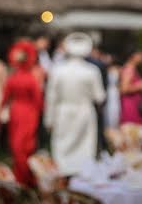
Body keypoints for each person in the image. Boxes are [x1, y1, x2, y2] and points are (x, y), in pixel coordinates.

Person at [45, 33, 105, 176]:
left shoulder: (57, 70)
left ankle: (64, 180)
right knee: (84, 149)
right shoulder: (92, 70)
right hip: (84, 112)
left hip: (63, 112)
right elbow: (99, 97)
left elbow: (51, 97)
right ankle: (82, 181)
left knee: (63, 148)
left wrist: (49, 120)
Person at [0, 40, 42, 187]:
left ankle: (23, 175)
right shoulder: (31, 79)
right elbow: (38, 101)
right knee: (25, 146)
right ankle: (26, 176)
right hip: (29, 113)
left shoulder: (13, 78)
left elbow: (4, 98)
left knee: (18, 146)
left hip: (17, 112)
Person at [120, 49, 142, 126]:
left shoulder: (133, 69)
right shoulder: (129, 69)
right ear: (133, 55)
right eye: (140, 54)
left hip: (135, 105)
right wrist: (141, 86)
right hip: (130, 106)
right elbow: (124, 89)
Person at [104, 59, 121, 129]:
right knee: (110, 110)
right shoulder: (117, 70)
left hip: (113, 91)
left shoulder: (116, 69)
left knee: (113, 110)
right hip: (111, 91)